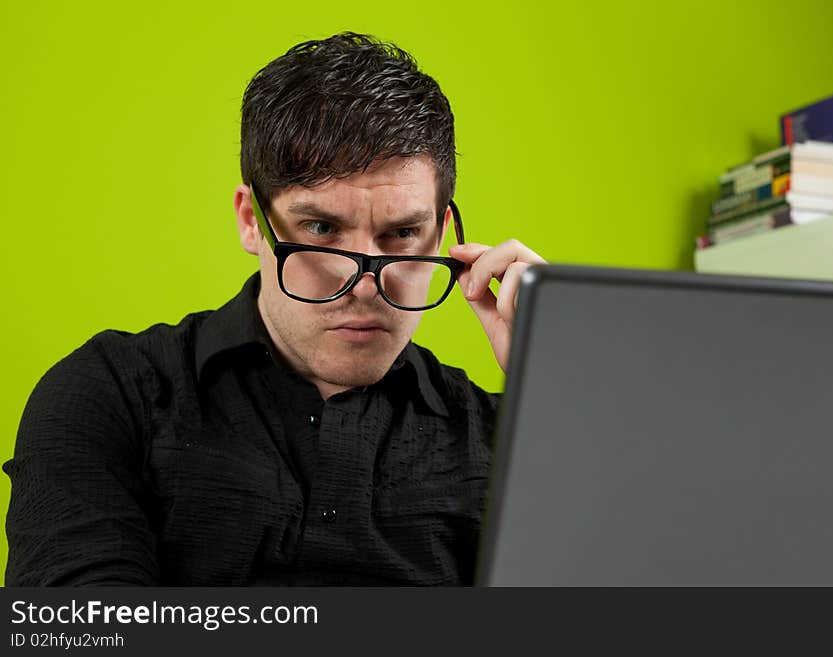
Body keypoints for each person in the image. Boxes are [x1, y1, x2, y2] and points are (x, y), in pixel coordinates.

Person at [3, 32, 545, 586]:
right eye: (321, 228)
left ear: (445, 235)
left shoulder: (513, 438)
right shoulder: (111, 396)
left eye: (402, 233)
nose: (362, 284)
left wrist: (570, 413)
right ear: (249, 221)